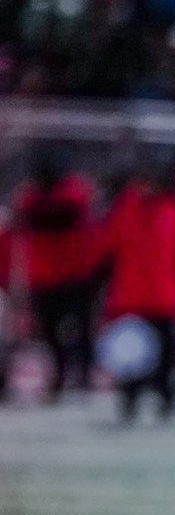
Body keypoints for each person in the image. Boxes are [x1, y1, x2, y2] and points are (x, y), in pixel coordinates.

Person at [95, 168, 175, 419]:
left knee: (166, 353)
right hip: (130, 296)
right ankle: (130, 397)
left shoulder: (173, 211)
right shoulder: (124, 210)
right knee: (130, 352)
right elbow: (107, 249)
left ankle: (165, 396)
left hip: (163, 295)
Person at [12, 157, 97, 397]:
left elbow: (66, 213)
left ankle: (82, 372)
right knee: (51, 332)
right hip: (47, 276)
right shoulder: (32, 197)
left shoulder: (71, 193)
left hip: (73, 274)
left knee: (80, 328)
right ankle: (62, 374)